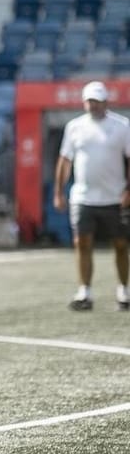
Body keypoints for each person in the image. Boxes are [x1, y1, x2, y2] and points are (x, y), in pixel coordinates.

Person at [53, 80, 130, 311]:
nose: (92, 105)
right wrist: (59, 192)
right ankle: (84, 292)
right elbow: (65, 160)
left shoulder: (123, 126)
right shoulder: (74, 127)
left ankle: (123, 292)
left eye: (96, 101)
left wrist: (128, 190)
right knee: (81, 243)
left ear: (106, 102)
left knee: (120, 244)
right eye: (89, 101)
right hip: (83, 197)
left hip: (115, 197)